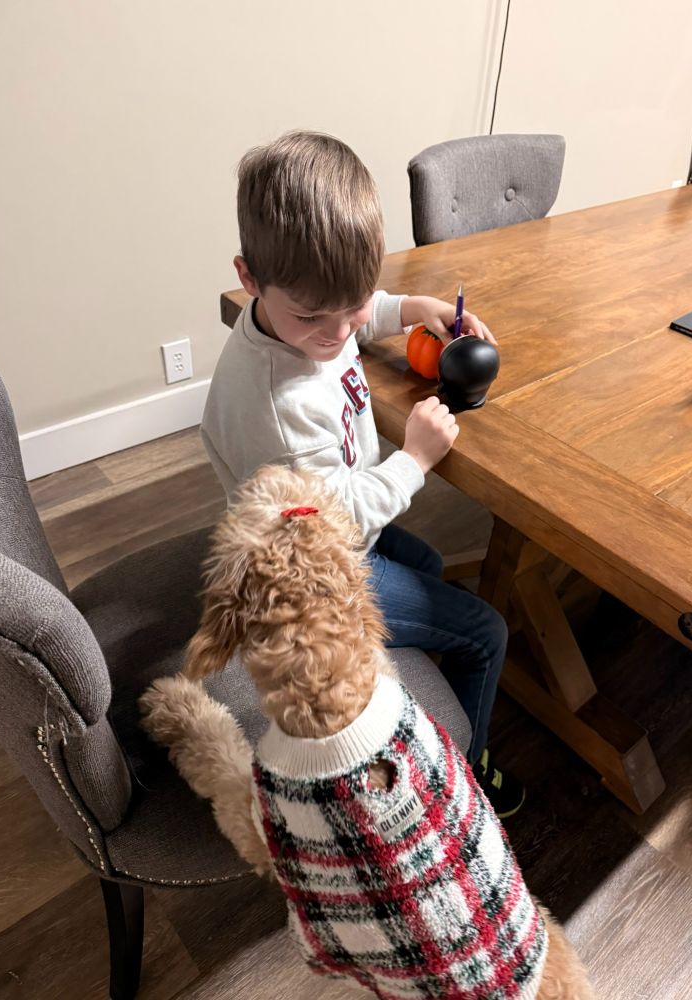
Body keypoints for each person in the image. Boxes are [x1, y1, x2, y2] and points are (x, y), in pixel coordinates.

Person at [201, 130, 522, 816]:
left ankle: (407, 700)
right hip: (308, 571)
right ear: (248, 278)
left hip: (325, 532)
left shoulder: (313, 318)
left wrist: (410, 309)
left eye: (350, 312)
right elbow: (337, 523)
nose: (339, 333)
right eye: (316, 317)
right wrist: (415, 457)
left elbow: (355, 306)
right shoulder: (277, 405)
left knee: (432, 561)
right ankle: (461, 784)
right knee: (487, 633)